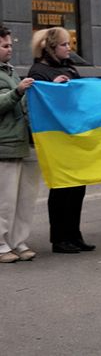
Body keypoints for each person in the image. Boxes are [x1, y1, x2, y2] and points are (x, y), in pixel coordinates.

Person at [27, 27, 94, 253]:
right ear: (51, 47)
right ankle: (59, 238)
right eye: (64, 44)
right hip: (55, 138)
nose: (69, 48)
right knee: (62, 188)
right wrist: (54, 88)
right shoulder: (38, 71)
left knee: (78, 186)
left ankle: (74, 234)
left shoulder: (70, 68)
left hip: (74, 134)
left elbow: (80, 97)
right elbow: (39, 104)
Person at [0, 25, 38, 263]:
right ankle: (1, 244)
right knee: (4, 199)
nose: (9, 49)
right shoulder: (11, 77)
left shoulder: (10, 71)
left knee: (24, 198)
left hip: (23, 142)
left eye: (10, 45)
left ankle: (18, 241)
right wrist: (18, 91)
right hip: (5, 145)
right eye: (5, 46)